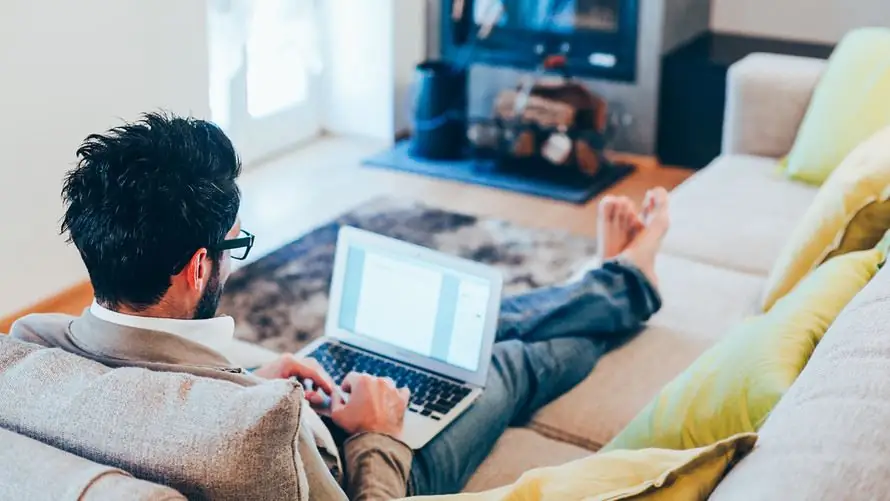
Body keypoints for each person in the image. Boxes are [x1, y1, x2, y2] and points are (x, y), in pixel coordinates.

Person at [10, 113, 669, 500]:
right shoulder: (257, 434)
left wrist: (240, 382)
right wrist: (379, 431)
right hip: (369, 460)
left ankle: (607, 277)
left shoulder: (28, 347)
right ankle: (623, 279)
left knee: (475, 330)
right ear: (197, 267)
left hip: (282, 407)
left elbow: (146, 395)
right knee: (514, 363)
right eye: (231, 246)